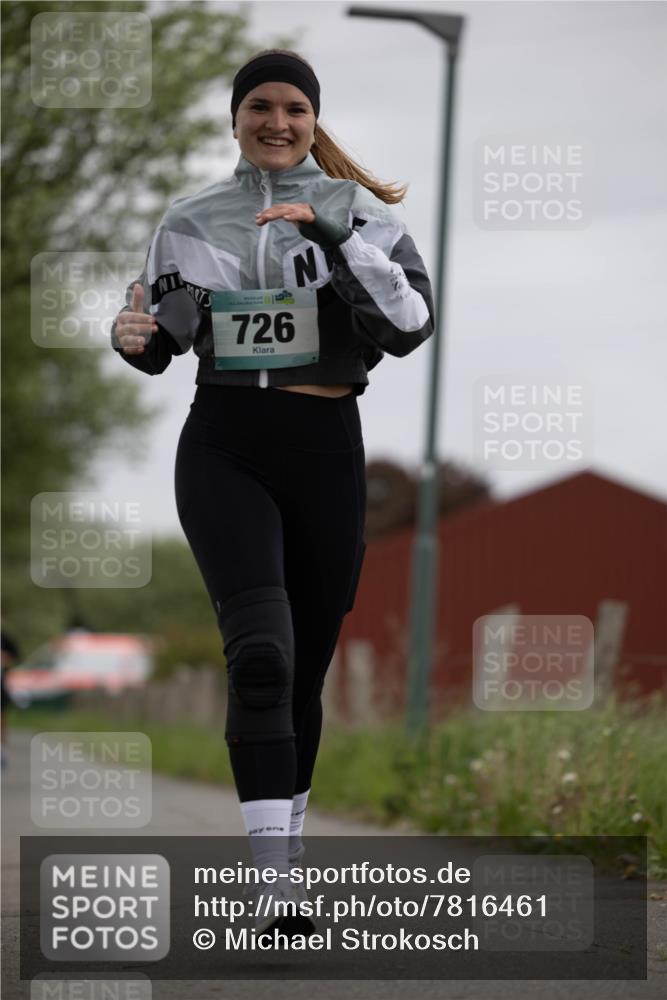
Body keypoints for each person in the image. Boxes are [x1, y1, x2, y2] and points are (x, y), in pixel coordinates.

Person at [111, 49, 434, 935]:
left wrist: (333, 239)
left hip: (326, 450)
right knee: (260, 656)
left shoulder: (356, 212)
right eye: (260, 105)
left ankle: (286, 852)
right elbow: (161, 331)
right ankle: (276, 893)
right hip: (224, 446)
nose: (277, 121)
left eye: (295, 107)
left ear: (313, 119)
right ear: (236, 117)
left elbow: (409, 326)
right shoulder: (189, 218)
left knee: (302, 676)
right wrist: (128, 330)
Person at [1, 630, 20, 769]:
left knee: (2, 719)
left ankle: (2, 751)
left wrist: (4, 658)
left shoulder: (4, 638)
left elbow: (15, 656)